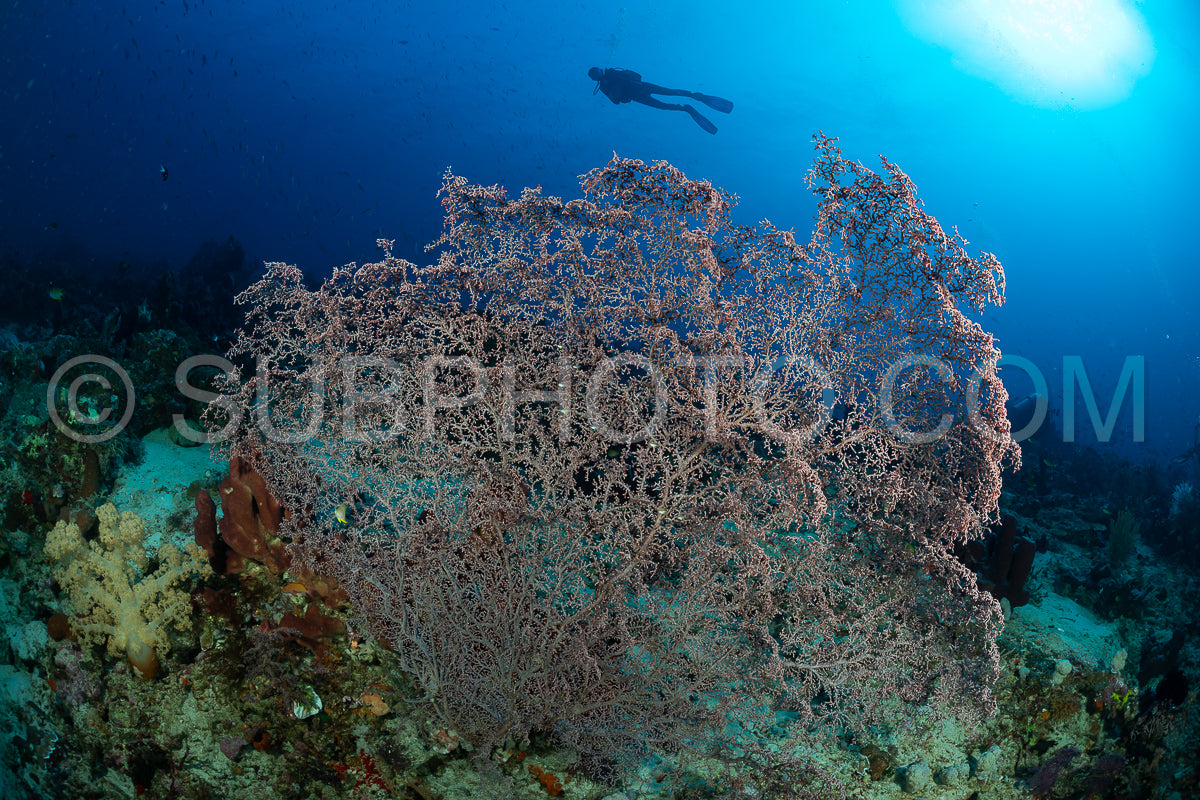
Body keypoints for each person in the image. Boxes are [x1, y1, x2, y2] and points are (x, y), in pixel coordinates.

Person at [587, 67, 733, 134]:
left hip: (642, 88)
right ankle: (687, 108)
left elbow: (635, 75)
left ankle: (697, 96)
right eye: (594, 76)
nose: (597, 75)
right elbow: (616, 102)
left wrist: (621, 83)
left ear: (600, 70)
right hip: (638, 96)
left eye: (596, 72)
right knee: (663, 105)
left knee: (670, 92)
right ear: (594, 78)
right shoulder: (603, 87)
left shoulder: (612, 72)